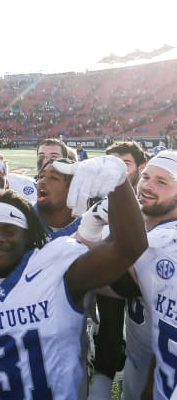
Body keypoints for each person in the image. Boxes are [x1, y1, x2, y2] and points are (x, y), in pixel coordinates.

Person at [0, 154, 147, 399]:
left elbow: (129, 248)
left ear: (28, 236)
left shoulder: (57, 265)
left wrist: (118, 183)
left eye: (9, 230)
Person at [85, 150, 177, 400]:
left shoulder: (165, 243)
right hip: (138, 361)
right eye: (146, 177)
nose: (147, 186)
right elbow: (110, 299)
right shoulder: (130, 227)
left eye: (162, 182)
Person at [88, 140, 149, 399]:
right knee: (110, 327)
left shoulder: (155, 199)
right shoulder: (94, 197)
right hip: (112, 274)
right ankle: (103, 380)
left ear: (140, 167)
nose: (115, 171)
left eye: (124, 164)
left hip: (146, 282)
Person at [35, 158, 82, 239]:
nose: (41, 181)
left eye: (53, 178)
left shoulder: (89, 230)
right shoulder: (23, 220)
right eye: (41, 176)